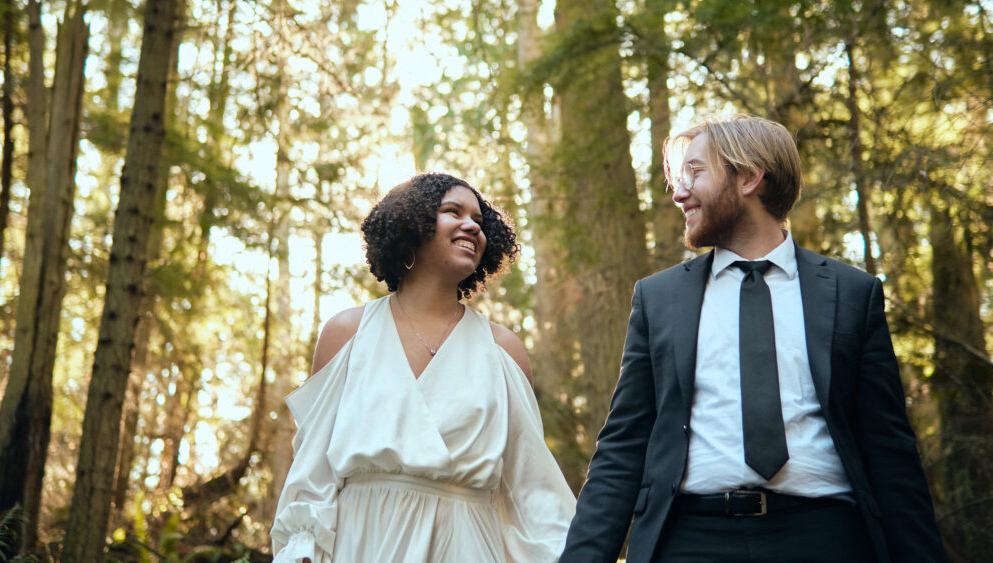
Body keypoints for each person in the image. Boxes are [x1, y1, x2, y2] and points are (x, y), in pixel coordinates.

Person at [560, 115, 947, 562]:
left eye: (695, 172)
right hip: (689, 541)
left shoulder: (852, 294)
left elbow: (890, 453)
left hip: (826, 537)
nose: (679, 192)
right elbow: (622, 450)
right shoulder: (659, 298)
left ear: (748, 177)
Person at [271, 172, 576, 563]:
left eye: (480, 222)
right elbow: (314, 471)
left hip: (467, 545)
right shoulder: (346, 333)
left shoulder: (503, 349)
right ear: (411, 223)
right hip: (364, 544)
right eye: (453, 211)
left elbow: (530, 486)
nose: (471, 225)